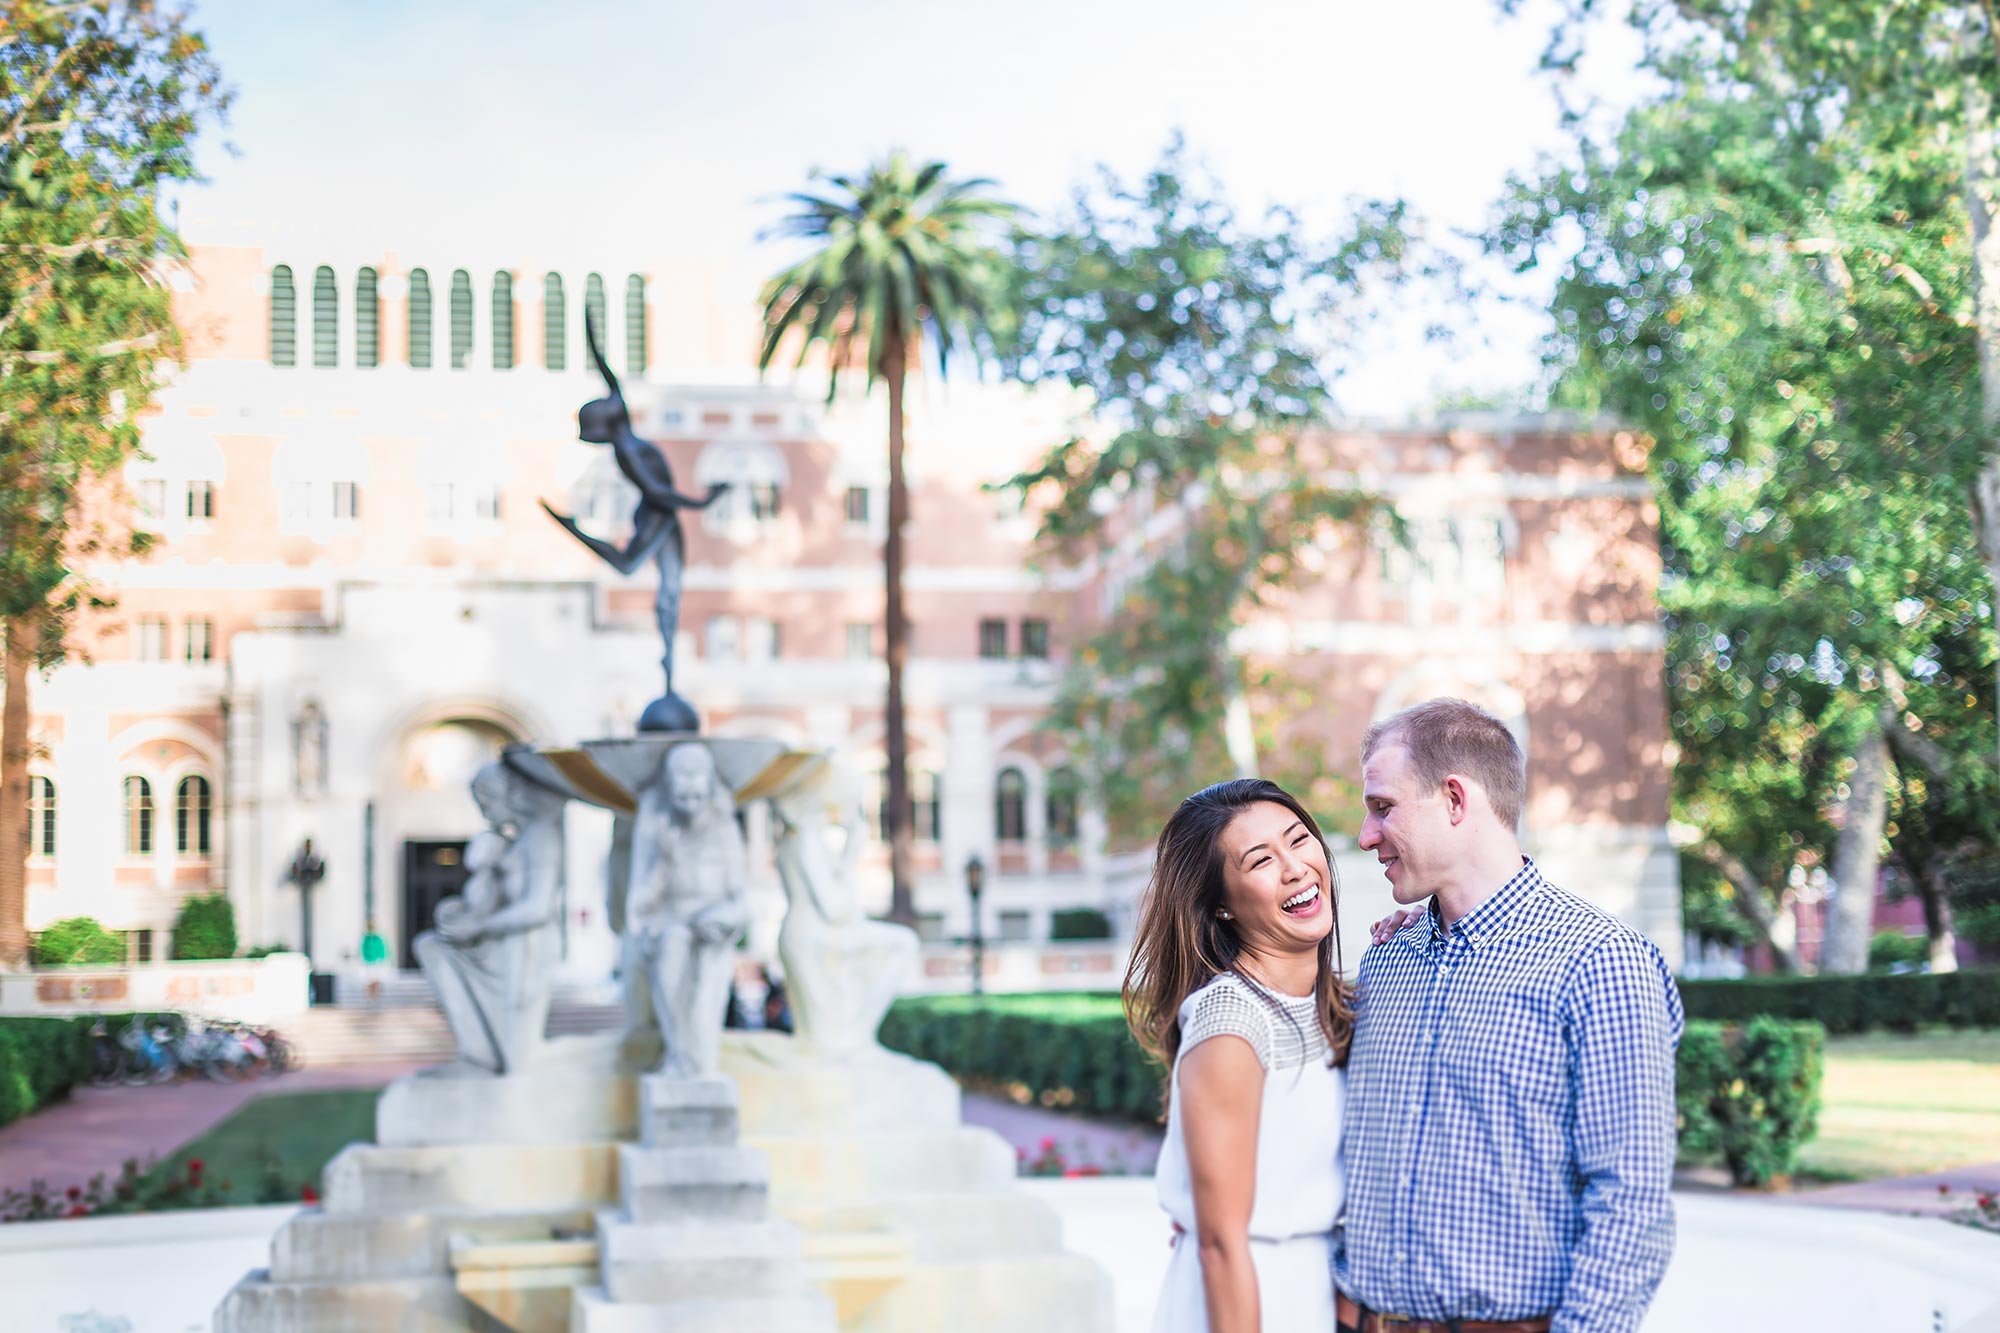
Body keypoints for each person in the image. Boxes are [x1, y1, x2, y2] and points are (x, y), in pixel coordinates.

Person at [1337, 698, 1683, 1333]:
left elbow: (1630, 1203)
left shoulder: (1601, 962)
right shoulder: (1388, 959)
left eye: (1382, 807)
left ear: (1454, 799)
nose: (1365, 836)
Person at [1125, 777, 1354, 1333]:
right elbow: (1220, 1244)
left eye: (1299, 840)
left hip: (1316, 1295)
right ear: (1221, 906)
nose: (1295, 867)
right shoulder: (1231, 1023)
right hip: (1245, 1300)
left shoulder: (1343, 1003)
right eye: (1260, 861)